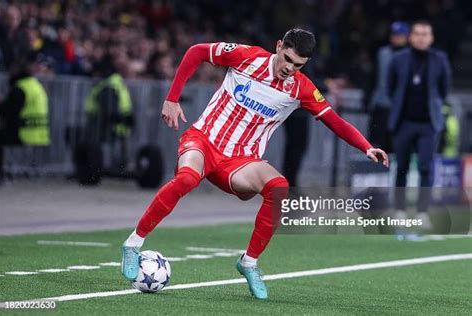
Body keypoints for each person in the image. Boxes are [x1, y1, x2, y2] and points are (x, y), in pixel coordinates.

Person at [121, 28, 389, 299]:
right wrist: (172, 98)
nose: (289, 68)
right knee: (187, 178)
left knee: (279, 187)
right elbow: (196, 52)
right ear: (279, 46)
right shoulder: (246, 57)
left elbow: (335, 121)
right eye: (287, 59)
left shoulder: (302, 88)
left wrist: (366, 146)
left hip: (241, 160)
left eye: (298, 65)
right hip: (203, 140)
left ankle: (249, 262)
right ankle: (133, 244)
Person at [388, 20, 452, 227]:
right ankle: (399, 210)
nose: (421, 37)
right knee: (401, 167)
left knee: (426, 167)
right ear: (410, 37)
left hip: (428, 124)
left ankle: (422, 213)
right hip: (404, 122)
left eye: (425, 34)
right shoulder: (399, 59)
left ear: (431, 38)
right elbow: (391, 87)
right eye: (418, 34)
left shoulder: (439, 59)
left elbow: (444, 89)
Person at [0, 57, 50, 184]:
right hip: (40, 133)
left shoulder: (20, 88)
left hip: (25, 133)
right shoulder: (35, 85)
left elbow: (8, 111)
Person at [369, 21, 409, 153]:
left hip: (402, 109)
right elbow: (374, 76)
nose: (396, 37)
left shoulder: (411, 56)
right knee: (377, 143)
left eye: (400, 35)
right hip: (381, 105)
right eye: (394, 34)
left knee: (398, 145)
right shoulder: (382, 53)